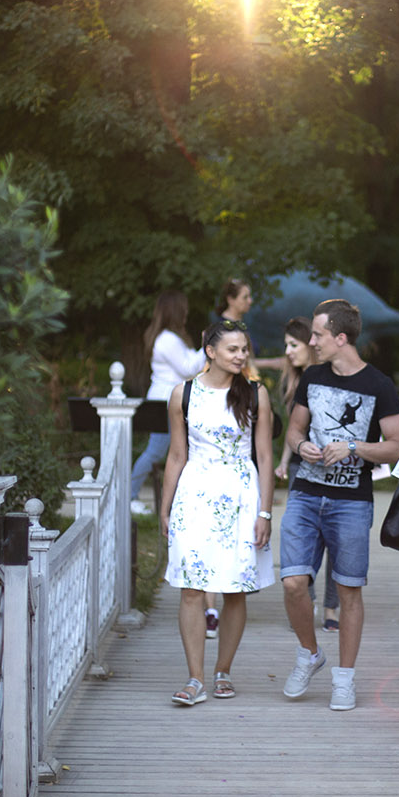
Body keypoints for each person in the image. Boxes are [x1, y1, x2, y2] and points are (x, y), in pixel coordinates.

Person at [279, 298, 399, 710]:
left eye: (317, 335)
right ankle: (310, 653)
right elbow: (294, 431)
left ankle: (344, 679)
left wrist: (352, 445)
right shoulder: (312, 376)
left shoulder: (379, 386)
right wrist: (303, 446)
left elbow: (398, 448)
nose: (311, 342)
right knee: (295, 582)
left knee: (348, 590)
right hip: (305, 493)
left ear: (341, 337)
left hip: (351, 502)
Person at [159, 319, 276, 706]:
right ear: (211, 351)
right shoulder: (184, 394)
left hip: (241, 495)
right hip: (194, 495)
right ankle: (195, 679)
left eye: (244, 349)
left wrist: (265, 513)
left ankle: (223, 669)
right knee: (192, 587)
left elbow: (264, 456)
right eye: (233, 349)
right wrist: (165, 507)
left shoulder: (256, 395)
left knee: (234, 589)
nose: (241, 355)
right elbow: (177, 455)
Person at [274, 317, 339, 632]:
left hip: (333, 465)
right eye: (286, 345)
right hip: (303, 465)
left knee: (334, 537)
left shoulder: (326, 378)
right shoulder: (292, 380)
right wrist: (284, 460)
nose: (287, 352)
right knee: (304, 539)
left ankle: (332, 608)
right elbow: (293, 429)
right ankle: (307, 604)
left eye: (293, 345)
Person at [129, 291, 204, 518]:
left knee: (175, 451)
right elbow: (189, 368)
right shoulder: (168, 340)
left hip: (169, 400)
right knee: (156, 452)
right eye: (184, 309)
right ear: (176, 311)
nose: (187, 312)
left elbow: (188, 361)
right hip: (165, 402)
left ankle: (177, 498)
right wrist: (207, 347)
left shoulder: (170, 338)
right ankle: (129, 496)